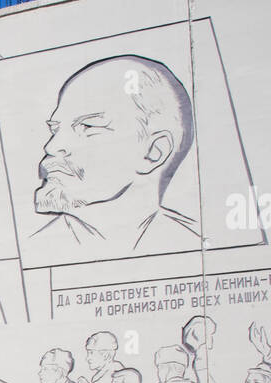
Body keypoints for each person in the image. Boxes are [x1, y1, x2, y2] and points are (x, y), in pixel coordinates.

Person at [29, 56, 198, 263]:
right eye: (55, 130)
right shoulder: (33, 253)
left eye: (88, 127)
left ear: (154, 152)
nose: (52, 146)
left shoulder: (191, 244)